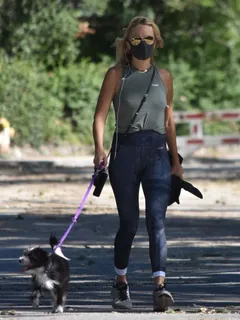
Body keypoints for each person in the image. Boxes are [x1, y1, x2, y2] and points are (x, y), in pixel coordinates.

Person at [92, 16, 183, 312]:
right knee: (129, 223)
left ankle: (160, 287)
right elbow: (100, 116)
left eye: (148, 38)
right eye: (137, 39)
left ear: (156, 42)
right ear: (127, 43)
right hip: (125, 153)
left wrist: (175, 160)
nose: (142, 44)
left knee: (157, 221)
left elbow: (168, 120)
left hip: (157, 153)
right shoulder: (116, 74)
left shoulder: (164, 76)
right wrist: (99, 149)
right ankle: (121, 283)